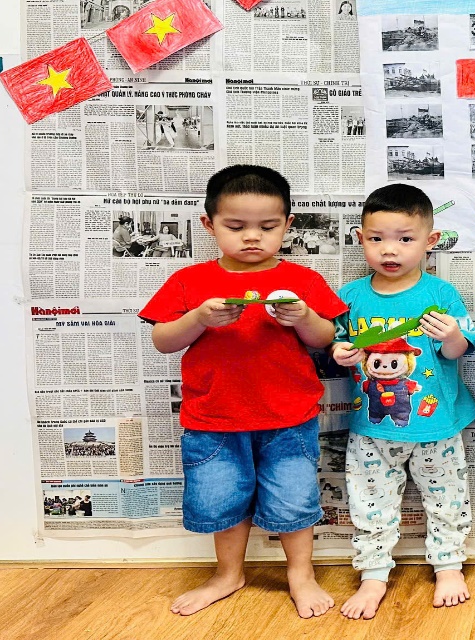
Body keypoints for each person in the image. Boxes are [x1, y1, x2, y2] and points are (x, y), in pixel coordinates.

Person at [139, 165, 346, 618]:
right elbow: (161, 341)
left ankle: (301, 574)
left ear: (288, 226)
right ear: (209, 225)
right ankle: (228, 574)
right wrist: (198, 319)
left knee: (295, 501)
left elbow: (326, 337)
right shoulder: (189, 281)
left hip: (289, 416)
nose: (252, 237)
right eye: (236, 227)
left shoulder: (303, 281)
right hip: (213, 418)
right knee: (222, 501)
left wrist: (302, 318)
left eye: (268, 227)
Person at [331, 183, 475, 619]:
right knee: (369, 499)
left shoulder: (441, 293)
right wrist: (340, 353)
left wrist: (451, 336)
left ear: (430, 242)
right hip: (372, 426)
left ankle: (449, 564)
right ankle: (373, 573)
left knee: (447, 495)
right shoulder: (351, 296)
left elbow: (460, 350)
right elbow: (338, 346)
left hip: (436, 424)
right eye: (376, 239)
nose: (389, 250)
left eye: (404, 239)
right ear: (361, 238)